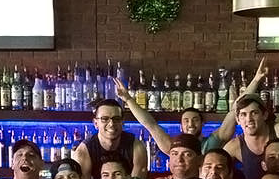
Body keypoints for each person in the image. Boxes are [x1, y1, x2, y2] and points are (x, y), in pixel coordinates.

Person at [113, 59, 265, 156]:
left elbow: (235, 109)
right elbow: (150, 124)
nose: (190, 124)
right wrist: (128, 99)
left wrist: (256, 80)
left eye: (195, 120)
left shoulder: (212, 143)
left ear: (203, 123)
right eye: (186, 121)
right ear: (180, 126)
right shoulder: (174, 147)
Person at [72, 98, 147, 179]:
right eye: (105, 119)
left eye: (116, 119)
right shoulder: (83, 152)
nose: (111, 124)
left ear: (122, 122)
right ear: (96, 123)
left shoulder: (136, 147)